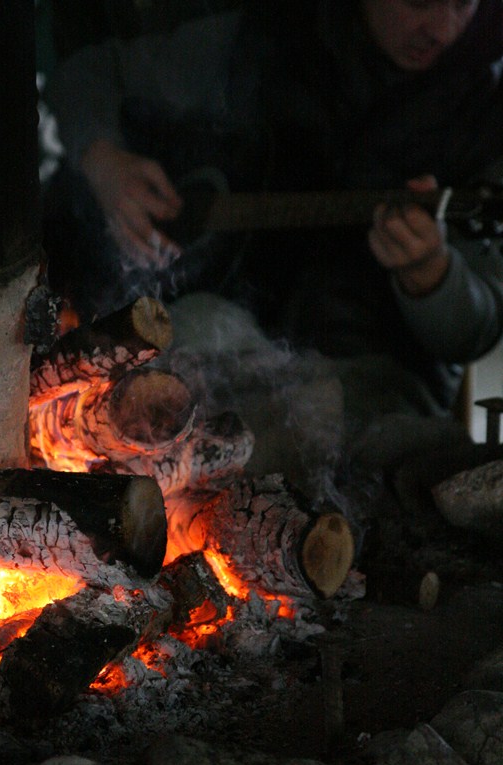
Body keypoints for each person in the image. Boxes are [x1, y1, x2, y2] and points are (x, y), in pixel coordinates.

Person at [42, 1, 503, 503]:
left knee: (306, 434)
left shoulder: (485, 114)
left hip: (376, 388)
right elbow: (88, 72)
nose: (440, 27)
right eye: (420, 0)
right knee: (176, 342)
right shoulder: (262, 37)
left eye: (462, 4)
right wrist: (104, 159)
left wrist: (432, 275)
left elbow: (477, 328)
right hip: (239, 344)